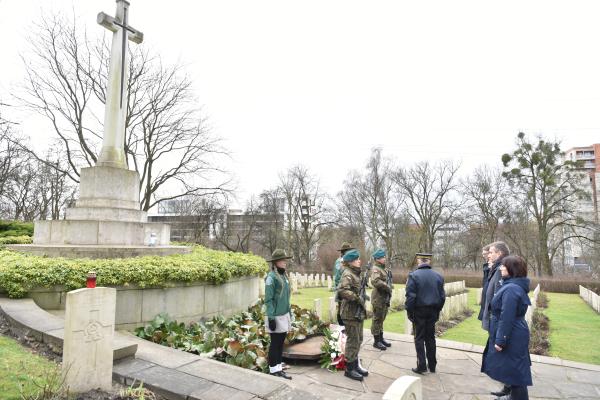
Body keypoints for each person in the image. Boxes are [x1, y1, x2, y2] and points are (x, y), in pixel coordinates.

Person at [482, 255, 532, 400]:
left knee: (516, 372)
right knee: (514, 371)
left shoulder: (511, 289)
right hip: (515, 332)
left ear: (512, 269)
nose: (501, 267)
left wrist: (501, 340)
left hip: (512, 333)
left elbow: (507, 316)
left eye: (504, 265)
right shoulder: (511, 285)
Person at [405, 252, 445, 374]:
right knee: (430, 338)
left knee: (419, 338)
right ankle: (432, 365)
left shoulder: (413, 276)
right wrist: (437, 310)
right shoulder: (438, 276)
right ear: (429, 262)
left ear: (418, 261)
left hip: (419, 311)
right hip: (433, 311)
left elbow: (410, 297)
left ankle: (422, 365)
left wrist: (409, 312)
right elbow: (442, 297)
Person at [480, 241, 511, 397]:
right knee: (500, 356)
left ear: (499, 253)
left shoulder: (501, 270)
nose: (488, 255)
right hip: (494, 318)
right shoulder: (496, 268)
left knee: (503, 355)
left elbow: (499, 299)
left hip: (497, 319)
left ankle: (509, 390)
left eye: (491, 252)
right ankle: (507, 388)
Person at [337, 249, 369, 381]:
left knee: (359, 339)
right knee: (352, 340)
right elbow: (342, 290)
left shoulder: (355, 274)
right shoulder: (348, 274)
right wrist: (356, 297)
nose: (359, 261)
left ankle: (355, 364)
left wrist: (362, 296)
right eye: (357, 259)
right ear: (350, 262)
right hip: (350, 313)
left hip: (357, 313)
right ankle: (349, 369)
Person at [264, 249, 293, 379]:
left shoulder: (283, 276)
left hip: (284, 314)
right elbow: (268, 300)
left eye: (285, 259)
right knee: (275, 343)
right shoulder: (271, 277)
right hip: (275, 316)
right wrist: (271, 318)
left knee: (281, 343)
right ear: (276, 262)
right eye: (282, 260)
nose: (285, 262)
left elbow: (286, 298)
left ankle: (278, 369)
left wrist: (289, 313)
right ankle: (273, 370)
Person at [370, 249, 393, 350]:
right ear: (377, 259)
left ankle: (381, 338)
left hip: (384, 298)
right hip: (378, 298)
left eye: (384, 257)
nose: (384, 258)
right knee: (377, 319)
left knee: (382, 318)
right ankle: (376, 341)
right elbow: (375, 281)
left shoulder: (384, 269)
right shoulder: (376, 269)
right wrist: (387, 286)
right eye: (382, 257)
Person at [477, 244, 491, 321]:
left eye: (485, 254)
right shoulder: (486, 265)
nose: (483, 256)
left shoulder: (491, 266)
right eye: (482, 254)